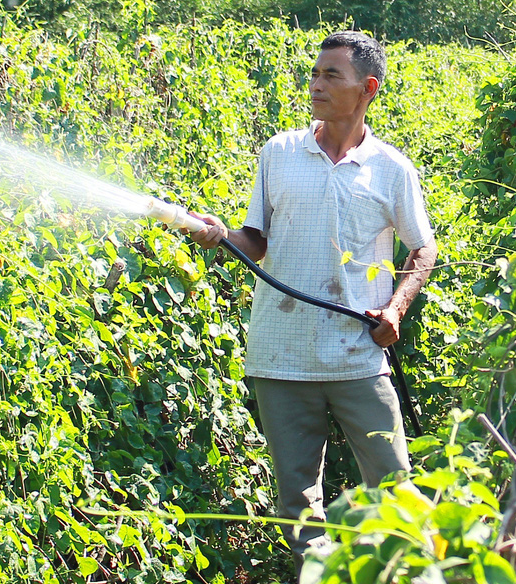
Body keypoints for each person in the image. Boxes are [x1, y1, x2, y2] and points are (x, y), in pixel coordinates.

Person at [186, 31, 437, 544]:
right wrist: (219, 235)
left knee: (394, 492)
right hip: (281, 355)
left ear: (367, 88)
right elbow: (255, 241)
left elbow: (423, 249)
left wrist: (394, 309)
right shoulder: (279, 152)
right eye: (315, 72)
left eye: (331, 75)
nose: (316, 84)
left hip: (356, 356)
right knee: (298, 503)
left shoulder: (390, 169)